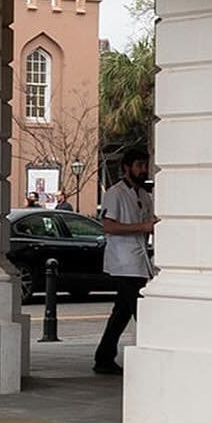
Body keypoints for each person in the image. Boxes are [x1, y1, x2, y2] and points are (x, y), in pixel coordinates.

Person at [94, 149, 156, 375]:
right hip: (124, 261)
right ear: (127, 168)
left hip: (139, 259)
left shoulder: (144, 195)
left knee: (121, 311)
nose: (143, 169)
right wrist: (143, 227)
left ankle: (103, 356)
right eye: (139, 165)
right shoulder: (115, 193)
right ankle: (154, 350)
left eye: (144, 165)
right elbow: (108, 226)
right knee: (140, 307)